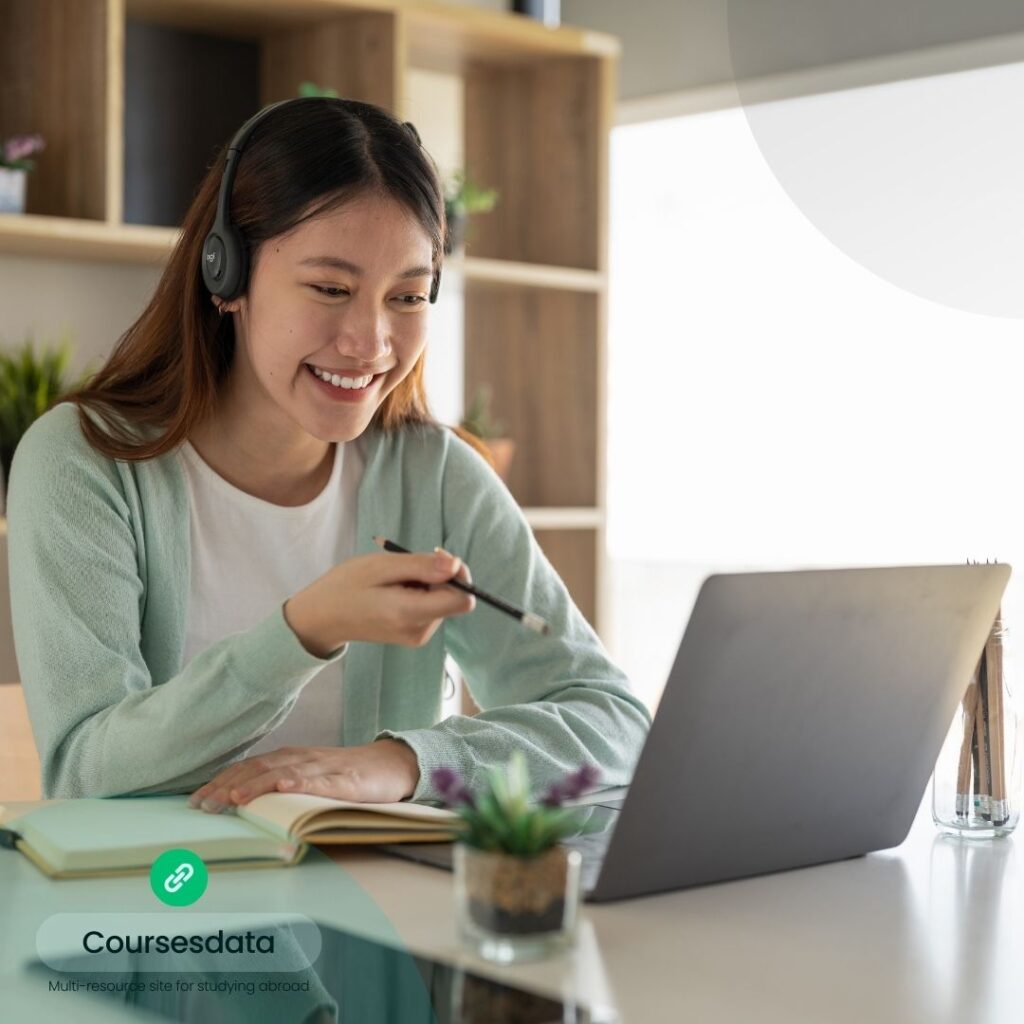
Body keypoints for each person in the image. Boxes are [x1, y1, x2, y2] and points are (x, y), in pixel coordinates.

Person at [6, 97, 651, 811]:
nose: (371, 342)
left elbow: (615, 722)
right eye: (331, 289)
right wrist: (303, 631)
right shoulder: (81, 464)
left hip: (380, 905)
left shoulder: (434, 476)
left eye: (407, 298)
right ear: (227, 276)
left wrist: (406, 763)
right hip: (162, 903)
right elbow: (86, 775)